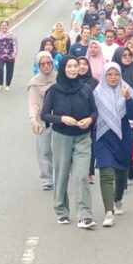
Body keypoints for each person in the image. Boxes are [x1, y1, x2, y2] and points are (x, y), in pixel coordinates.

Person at [41, 56, 98, 229]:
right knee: (62, 174)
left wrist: (89, 120)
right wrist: (62, 119)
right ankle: (61, 210)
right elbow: (44, 115)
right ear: (63, 68)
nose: (73, 69)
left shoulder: (86, 89)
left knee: (82, 175)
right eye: (69, 66)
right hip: (62, 137)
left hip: (83, 137)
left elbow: (94, 112)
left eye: (76, 66)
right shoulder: (54, 90)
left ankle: (84, 215)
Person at [93, 62, 133, 227]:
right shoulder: (96, 93)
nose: (113, 78)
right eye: (109, 75)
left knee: (121, 172)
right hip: (103, 136)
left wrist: (128, 99)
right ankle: (108, 211)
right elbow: (92, 114)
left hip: (123, 137)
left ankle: (118, 198)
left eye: (116, 74)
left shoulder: (126, 90)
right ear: (104, 76)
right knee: (106, 173)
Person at [112, 46, 133, 187]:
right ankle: (119, 175)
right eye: (124, 55)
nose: (127, 57)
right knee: (116, 147)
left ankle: (130, 174)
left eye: (129, 55)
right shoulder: (112, 74)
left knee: (131, 148)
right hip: (115, 118)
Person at [28, 51, 57, 190]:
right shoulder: (35, 82)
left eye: (48, 63)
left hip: (60, 120)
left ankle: (62, 174)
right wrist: (33, 120)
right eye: (42, 64)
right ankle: (47, 178)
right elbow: (33, 104)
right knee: (44, 150)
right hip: (43, 121)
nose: (46, 66)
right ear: (38, 66)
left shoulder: (60, 78)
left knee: (60, 150)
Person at [0, 21, 18, 92]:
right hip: (0, 56)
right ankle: (0, 84)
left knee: (10, 71)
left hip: (10, 56)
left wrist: (14, 53)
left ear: (8, 26)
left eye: (5, 25)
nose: (4, 27)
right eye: (2, 25)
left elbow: (15, 44)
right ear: (0, 27)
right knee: (0, 70)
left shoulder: (12, 35)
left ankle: (7, 85)